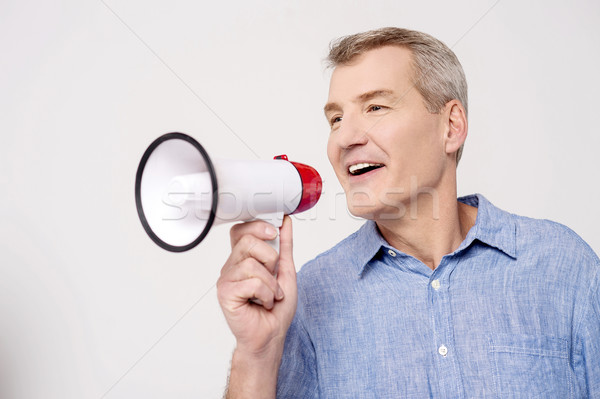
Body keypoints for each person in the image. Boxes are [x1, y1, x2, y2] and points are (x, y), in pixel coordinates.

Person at [217, 27, 600, 398]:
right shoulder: (308, 298)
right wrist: (256, 355)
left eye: (376, 107)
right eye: (336, 119)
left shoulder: (563, 266)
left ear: (451, 126)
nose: (345, 138)